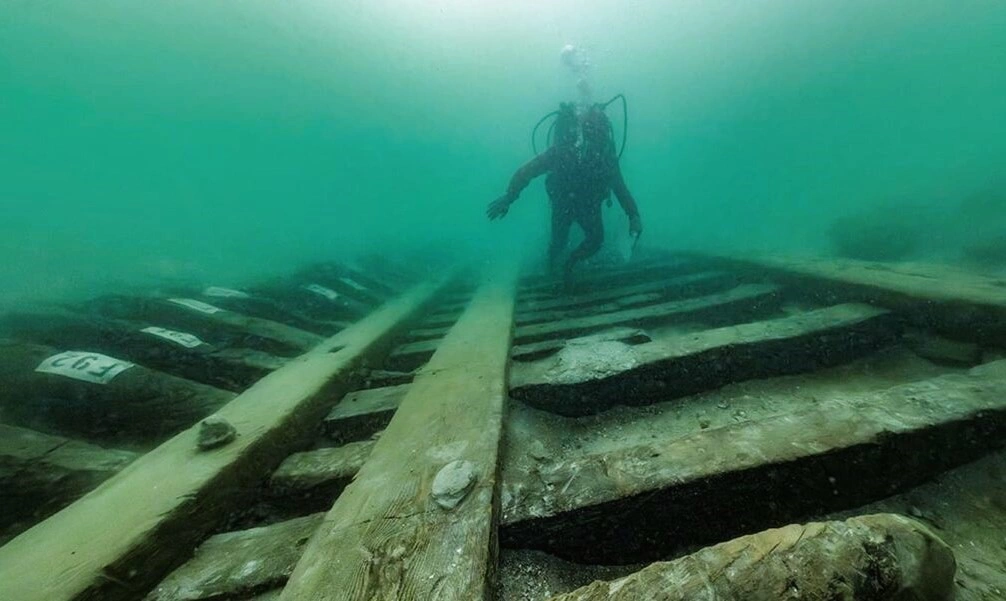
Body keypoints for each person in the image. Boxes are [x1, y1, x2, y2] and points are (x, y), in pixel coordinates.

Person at [486, 102, 643, 276]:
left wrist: (633, 215)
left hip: (583, 204)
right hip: (565, 202)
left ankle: (569, 264)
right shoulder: (561, 153)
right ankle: (554, 263)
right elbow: (526, 172)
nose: (584, 145)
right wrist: (509, 197)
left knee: (594, 240)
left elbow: (619, 187)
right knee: (560, 242)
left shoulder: (603, 157)